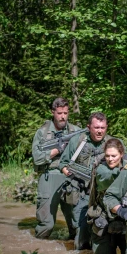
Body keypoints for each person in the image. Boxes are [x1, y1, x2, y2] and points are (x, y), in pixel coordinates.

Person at [59, 112, 127, 250]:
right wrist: (68, 172)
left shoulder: (113, 143)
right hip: (82, 193)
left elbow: (125, 163)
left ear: (106, 127)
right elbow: (63, 164)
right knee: (82, 233)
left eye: (102, 128)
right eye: (96, 127)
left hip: (104, 195)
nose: (99, 131)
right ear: (88, 127)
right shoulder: (77, 141)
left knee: (104, 231)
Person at [32, 97, 80, 239]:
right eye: (59, 113)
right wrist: (57, 150)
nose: (63, 116)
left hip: (70, 177)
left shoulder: (75, 131)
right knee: (46, 224)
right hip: (49, 176)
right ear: (53, 112)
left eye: (65, 113)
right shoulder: (42, 133)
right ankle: (38, 251)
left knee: (76, 223)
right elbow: (37, 157)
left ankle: (75, 253)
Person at [88, 138, 127, 254]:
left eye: (114, 156)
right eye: (107, 156)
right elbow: (108, 176)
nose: (110, 159)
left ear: (121, 154)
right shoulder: (101, 169)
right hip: (103, 218)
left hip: (125, 219)